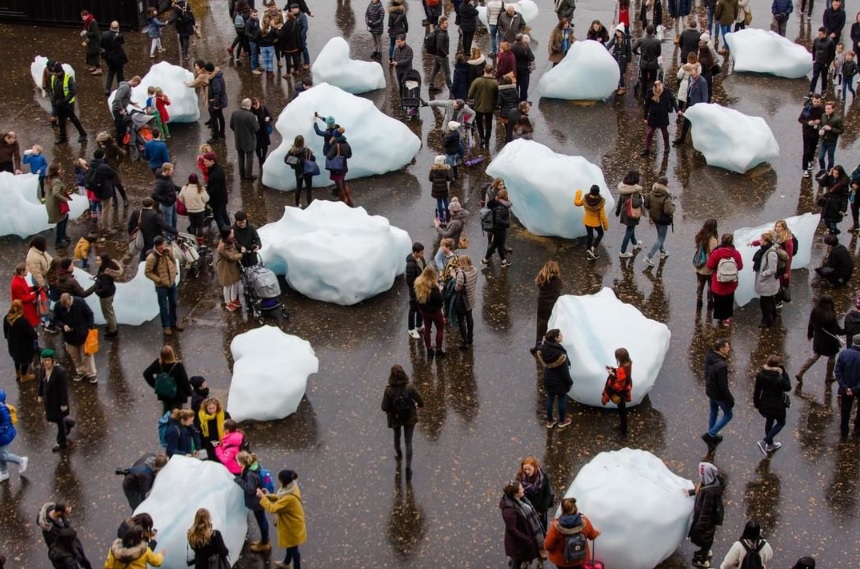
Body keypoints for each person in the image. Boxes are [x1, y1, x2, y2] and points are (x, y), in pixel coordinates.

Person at [257, 469, 307, 569]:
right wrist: (268, 496)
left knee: (294, 549)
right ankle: (286, 563)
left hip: (292, 528)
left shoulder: (289, 498)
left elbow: (273, 508)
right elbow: (281, 497)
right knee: (290, 545)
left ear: (284, 481)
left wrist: (262, 498)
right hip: (293, 525)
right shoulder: (292, 488)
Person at [381, 365, 424, 478]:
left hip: (395, 418)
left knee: (397, 435)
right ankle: (408, 468)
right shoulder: (409, 387)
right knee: (408, 442)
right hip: (409, 417)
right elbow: (420, 401)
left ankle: (399, 452)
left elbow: (384, 407)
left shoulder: (388, 390)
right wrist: (417, 406)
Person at [797, 293, 845, 384]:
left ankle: (801, 372)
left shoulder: (815, 311)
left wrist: (810, 334)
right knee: (832, 357)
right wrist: (848, 330)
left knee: (815, 355)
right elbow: (838, 330)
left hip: (819, 339)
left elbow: (811, 324)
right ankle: (829, 376)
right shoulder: (831, 315)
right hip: (830, 341)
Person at [686, 462, 726, 568]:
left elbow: (705, 512)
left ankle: (704, 561)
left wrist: (700, 526)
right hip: (708, 522)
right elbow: (699, 491)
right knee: (706, 540)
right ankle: (706, 551)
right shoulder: (709, 483)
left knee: (705, 539)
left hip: (706, 523)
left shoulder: (709, 493)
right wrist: (691, 492)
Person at [51, 293, 96, 384]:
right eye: (64, 305)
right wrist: (63, 325)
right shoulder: (58, 305)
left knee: (86, 354)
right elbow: (55, 319)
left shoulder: (80, 302)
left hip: (83, 333)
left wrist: (89, 327)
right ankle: (80, 371)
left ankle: (91, 374)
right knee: (75, 355)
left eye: (67, 304)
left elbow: (89, 314)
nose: (66, 307)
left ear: (70, 299)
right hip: (69, 336)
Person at [544, 497, 600, 569]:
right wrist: (597, 532)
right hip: (580, 559)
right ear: (575, 508)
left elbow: (548, 546)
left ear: (562, 510)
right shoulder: (584, 521)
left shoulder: (555, 526)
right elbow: (592, 536)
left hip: (562, 562)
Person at [499, 480, 544, 569]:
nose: (523, 489)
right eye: (521, 489)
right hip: (518, 543)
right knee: (517, 560)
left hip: (525, 536)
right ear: (515, 494)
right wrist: (526, 539)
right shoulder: (509, 511)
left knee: (520, 557)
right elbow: (511, 529)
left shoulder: (521, 500)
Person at [37, 349, 75, 452]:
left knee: (59, 421)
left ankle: (61, 442)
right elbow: (41, 383)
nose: (45, 362)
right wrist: (40, 395)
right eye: (44, 360)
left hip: (57, 402)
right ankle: (68, 422)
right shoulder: (42, 370)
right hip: (49, 401)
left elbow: (63, 389)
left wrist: (64, 404)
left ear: (52, 360)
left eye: (48, 360)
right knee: (52, 418)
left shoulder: (60, 372)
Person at [753, 355, 792, 454]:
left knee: (769, 420)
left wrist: (756, 403)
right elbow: (788, 387)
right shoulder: (779, 378)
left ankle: (770, 445)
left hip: (765, 402)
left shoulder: (760, 374)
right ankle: (764, 441)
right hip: (777, 405)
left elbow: (757, 390)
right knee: (781, 422)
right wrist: (784, 373)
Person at [144, 236, 181, 336]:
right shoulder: (152, 257)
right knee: (164, 307)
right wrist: (159, 280)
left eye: (165, 243)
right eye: (163, 244)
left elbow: (173, 261)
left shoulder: (168, 251)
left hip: (171, 283)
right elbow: (147, 272)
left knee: (173, 304)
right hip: (161, 287)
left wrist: (175, 272)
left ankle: (173, 323)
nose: (165, 245)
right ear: (158, 246)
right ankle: (166, 326)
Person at [235, 451, 271, 552]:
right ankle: (264, 540)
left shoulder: (250, 474)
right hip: (260, 500)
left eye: (237, 460)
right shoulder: (253, 466)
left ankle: (265, 543)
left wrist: (240, 481)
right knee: (262, 519)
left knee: (261, 520)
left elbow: (250, 490)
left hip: (257, 502)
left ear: (241, 462)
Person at [537, 329, 573, 429]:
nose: (562, 336)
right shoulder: (561, 354)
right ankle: (562, 421)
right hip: (559, 381)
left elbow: (538, 348)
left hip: (548, 378)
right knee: (561, 399)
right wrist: (570, 382)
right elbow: (565, 372)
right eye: (560, 335)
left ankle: (550, 421)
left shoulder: (542, 349)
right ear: (556, 338)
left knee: (550, 398)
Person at [706, 234, 743, 327]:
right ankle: (727, 318)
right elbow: (740, 266)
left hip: (718, 282)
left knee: (719, 300)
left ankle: (720, 317)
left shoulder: (717, 253)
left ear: (722, 241)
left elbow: (709, 265)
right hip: (731, 282)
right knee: (729, 300)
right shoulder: (736, 253)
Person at [143, 345, 192, 413]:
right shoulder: (178, 366)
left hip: (164, 394)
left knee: (166, 411)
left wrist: (156, 385)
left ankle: (165, 420)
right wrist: (189, 392)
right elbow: (184, 381)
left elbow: (146, 373)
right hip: (176, 395)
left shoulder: (158, 363)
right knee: (176, 414)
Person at [83, 254, 122, 338]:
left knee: (107, 313)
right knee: (110, 310)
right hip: (110, 292)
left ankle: (113, 331)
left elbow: (105, 288)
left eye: (99, 260)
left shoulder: (105, 274)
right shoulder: (105, 268)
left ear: (103, 261)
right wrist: (97, 277)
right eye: (96, 260)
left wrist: (97, 291)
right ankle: (113, 325)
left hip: (106, 296)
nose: (97, 262)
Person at [703, 339, 734, 445]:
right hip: (718, 394)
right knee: (728, 415)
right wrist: (730, 399)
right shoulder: (721, 365)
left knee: (714, 410)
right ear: (721, 349)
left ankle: (712, 434)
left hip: (711, 390)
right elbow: (723, 386)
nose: (729, 349)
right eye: (727, 347)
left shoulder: (710, 356)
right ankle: (711, 434)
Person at [129, 197, 177, 262]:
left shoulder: (136, 212)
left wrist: (132, 234)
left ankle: (141, 265)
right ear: (152, 204)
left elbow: (130, 225)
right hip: (152, 239)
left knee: (143, 252)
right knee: (152, 255)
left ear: (142, 204)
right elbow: (165, 226)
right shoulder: (155, 215)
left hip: (141, 237)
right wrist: (175, 232)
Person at [51, 64, 87, 145]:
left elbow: (73, 91)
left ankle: (82, 133)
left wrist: (65, 100)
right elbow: (52, 90)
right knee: (61, 120)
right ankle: (62, 137)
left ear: (61, 71)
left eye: (58, 73)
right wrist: (54, 100)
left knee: (73, 119)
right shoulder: (54, 77)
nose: (56, 75)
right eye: (55, 73)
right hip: (58, 102)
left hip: (67, 103)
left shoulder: (68, 77)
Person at [414, 265, 445, 357]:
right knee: (440, 329)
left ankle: (429, 350)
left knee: (427, 329)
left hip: (424, 312)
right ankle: (438, 351)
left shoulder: (418, 284)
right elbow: (440, 301)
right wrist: (441, 291)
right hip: (435, 312)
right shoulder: (434, 288)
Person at [4, 300, 38, 383]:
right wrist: (36, 335)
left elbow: (5, 330)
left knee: (16, 359)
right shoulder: (22, 321)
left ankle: (18, 373)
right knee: (25, 361)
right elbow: (30, 333)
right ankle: (24, 375)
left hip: (12, 344)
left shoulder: (7, 317)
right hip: (23, 346)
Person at [674, 64, 709, 144]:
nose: (692, 75)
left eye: (693, 73)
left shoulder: (702, 82)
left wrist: (703, 108)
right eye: (690, 73)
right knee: (686, 121)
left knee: (697, 124)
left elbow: (705, 97)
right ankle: (682, 138)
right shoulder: (690, 78)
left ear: (697, 72)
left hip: (697, 106)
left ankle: (699, 141)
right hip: (689, 103)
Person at [516, 457, 553, 533]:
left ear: (534, 467)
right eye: (525, 469)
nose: (527, 471)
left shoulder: (542, 476)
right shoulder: (520, 478)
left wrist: (542, 510)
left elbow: (548, 493)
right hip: (528, 512)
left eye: (529, 469)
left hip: (541, 511)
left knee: (542, 529)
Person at [641, 81, 678, 156]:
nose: (660, 90)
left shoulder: (666, 91)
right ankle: (646, 148)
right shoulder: (650, 92)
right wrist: (645, 117)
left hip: (663, 115)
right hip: (653, 116)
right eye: (659, 89)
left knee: (664, 132)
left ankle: (667, 147)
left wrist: (677, 110)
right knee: (649, 133)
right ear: (655, 88)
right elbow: (647, 105)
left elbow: (673, 100)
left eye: (661, 88)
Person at [602, 348, 633, 436]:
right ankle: (623, 428)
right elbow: (622, 376)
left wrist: (611, 375)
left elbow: (617, 384)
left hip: (620, 393)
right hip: (625, 390)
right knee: (622, 411)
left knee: (622, 411)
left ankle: (624, 432)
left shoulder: (621, 370)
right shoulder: (629, 364)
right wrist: (614, 371)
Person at [752, 231, 779, 328]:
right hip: (767, 282)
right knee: (770, 300)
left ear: (766, 241)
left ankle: (767, 321)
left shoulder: (771, 253)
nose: (760, 240)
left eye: (761, 239)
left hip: (767, 282)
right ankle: (772, 316)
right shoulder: (766, 250)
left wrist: (763, 274)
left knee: (765, 302)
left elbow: (773, 269)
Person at [533, 261, 563, 350]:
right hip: (552, 304)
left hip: (542, 302)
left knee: (541, 322)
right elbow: (560, 288)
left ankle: (538, 343)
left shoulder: (541, 278)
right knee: (551, 322)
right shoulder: (557, 280)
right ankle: (550, 342)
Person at [575, 185, 609, 261]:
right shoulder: (600, 202)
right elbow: (602, 215)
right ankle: (592, 248)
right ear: (598, 192)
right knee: (601, 234)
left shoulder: (585, 199)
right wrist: (605, 225)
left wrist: (578, 193)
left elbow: (577, 203)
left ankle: (589, 251)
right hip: (596, 223)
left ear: (590, 191)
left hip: (587, 221)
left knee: (590, 235)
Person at [0, 389, 28, 483]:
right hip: (2, 436)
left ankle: (21, 460)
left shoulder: (2, 409)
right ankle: (4, 472)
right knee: (1, 454)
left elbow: (6, 424)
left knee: (3, 455)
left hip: (4, 436)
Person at [230, 98, 260, 181]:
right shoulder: (250, 115)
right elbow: (256, 128)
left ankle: (242, 173)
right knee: (249, 158)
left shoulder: (235, 113)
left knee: (241, 157)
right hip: (249, 141)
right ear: (249, 105)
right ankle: (248, 175)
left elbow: (231, 125)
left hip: (238, 140)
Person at [837, 334, 860, 437]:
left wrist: (845, 387)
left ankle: (844, 431)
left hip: (845, 388)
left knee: (845, 410)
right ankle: (857, 427)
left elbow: (838, 372)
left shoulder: (844, 354)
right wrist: (855, 389)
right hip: (858, 389)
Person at [483, 188, 513, 267]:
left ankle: (503, 261)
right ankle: (485, 260)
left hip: (500, 228)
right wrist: (507, 224)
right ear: (505, 196)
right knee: (494, 245)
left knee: (499, 245)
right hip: (499, 229)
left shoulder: (502, 205)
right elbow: (498, 219)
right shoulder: (501, 207)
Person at [453, 255, 478, 349]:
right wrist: (461, 271)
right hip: (471, 298)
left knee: (461, 320)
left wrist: (454, 276)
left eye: (460, 262)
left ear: (463, 263)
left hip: (462, 301)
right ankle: (470, 338)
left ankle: (464, 341)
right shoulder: (475, 270)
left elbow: (457, 288)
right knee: (469, 317)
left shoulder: (461, 275)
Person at [216, 228, 244, 312]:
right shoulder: (223, 246)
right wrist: (242, 254)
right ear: (227, 235)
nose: (233, 235)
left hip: (232, 266)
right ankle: (228, 302)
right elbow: (231, 257)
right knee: (227, 285)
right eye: (231, 233)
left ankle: (233, 299)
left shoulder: (230, 241)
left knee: (235, 282)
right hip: (225, 268)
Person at [694, 219, 719, 310]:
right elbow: (714, 254)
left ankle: (699, 301)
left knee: (700, 285)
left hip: (699, 265)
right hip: (709, 267)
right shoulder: (713, 240)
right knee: (710, 286)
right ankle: (710, 302)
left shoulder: (699, 236)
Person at [799, 93, 824, 178]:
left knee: (813, 149)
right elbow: (800, 119)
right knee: (806, 151)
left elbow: (824, 119)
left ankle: (810, 161)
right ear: (812, 100)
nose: (816, 103)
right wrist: (808, 123)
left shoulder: (821, 110)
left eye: (818, 102)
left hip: (816, 132)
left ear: (820, 101)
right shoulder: (806, 109)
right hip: (807, 132)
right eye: (815, 101)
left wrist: (819, 121)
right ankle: (804, 168)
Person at [110, 76, 142, 144]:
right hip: (118, 110)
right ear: (135, 81)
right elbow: (118, 98)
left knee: (123, 125)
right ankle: (119, 143)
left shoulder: (128, 87)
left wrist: (132, 103)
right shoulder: (125, 87)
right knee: (121, 128)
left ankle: (120, 141)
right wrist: (121, 109)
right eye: (137, 84)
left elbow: (125, 98)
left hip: (122, 109)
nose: (136, 86)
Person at [178, 174, 209, 242]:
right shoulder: (201, 188)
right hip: (200, 210)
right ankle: (200, 240)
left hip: (190, 210)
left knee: (192, 225)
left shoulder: (184, 188)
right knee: (200, 226)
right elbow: (206, 199)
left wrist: (185, 203)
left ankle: (193, 240)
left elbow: (180, 198)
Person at [326, 128, 354, 206]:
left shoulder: (336, 145)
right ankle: (350, 200)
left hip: (337, 169)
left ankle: (344, 203)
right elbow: (349, 155)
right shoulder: (346, 143)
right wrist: (343, 157)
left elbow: (329, 156)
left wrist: (331, 144)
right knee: (343, 183)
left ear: (335, 136)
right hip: (344, 167)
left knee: (339, 186)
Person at [633, 25, 661, 98]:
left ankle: (644, 93)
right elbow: (659, 53)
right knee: (653, 79)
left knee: (644, 79)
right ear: (653, 31)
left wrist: (638, 53)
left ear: (646, 31)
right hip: (653, 63)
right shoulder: (657, 41)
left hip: (644, 63)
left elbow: (633, 48)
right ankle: (652, 93)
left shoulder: (641, 40)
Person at [405, 243, 426, 339]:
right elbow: (410, 282)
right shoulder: (410, 265)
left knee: (420, 308)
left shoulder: (421, 259)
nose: (423, 254)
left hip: (421, 289)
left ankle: (419, 324)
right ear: (415, 253)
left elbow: (424, 269)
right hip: (415, 291)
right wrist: (417, 288)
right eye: (421, 252)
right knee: (413, 309)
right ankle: (411, 328)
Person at [100, 21, 128, 96]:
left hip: (109, 57)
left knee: (110, 73)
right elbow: (121, 42)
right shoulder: (119, 36)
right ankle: (121, 89)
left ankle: (107, 89)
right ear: (118, 27)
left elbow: (101, 44)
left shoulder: (104, 34)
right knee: (120, 74)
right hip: (118, 58)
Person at [203, 153, 229, 231]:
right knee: (224, 214)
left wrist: (206, 194)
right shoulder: (219, 168)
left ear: (212, 161)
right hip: (223, 197)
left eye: (206, 161)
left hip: (217, 201)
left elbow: (214, 191)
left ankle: (224, 232)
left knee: (218, 216)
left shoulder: (214, 175)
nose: (204, 163)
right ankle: (229, 228)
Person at [817, 101, 844, 175]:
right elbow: (820, 124)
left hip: (831, 141)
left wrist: (831, 129)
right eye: (826, 108)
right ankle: (822, 169)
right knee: (821, 157)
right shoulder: (823, 115)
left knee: (830, 158)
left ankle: (829, 171)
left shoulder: (837, 119)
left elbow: (841, 130)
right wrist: (820, 130)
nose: (827, 110)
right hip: (823, 140)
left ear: (833, 109)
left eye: (829, 109)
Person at [428, 16, 452, 93]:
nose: (447, 24)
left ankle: (431, 85)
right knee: (447, 73)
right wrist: (445, 54)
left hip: (437, 55)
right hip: (442, 56)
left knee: (434, 70)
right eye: (446, 23)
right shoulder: (441, 34)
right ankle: (451, 89)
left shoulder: (439, 30)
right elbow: (439, 47)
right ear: (441, 23)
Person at [607, 24, 632, 94]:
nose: (617, 33)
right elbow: (609, 45)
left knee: (620, 73)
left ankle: (622, 88)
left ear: (622, 32)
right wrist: (604, 50)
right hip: (615, 57)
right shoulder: (615, 38)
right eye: (616, 31)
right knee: (616, 72)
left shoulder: (626, 40)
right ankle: (617, 85)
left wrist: (629, 59)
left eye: (618, 31)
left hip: (623, 59)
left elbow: (629, 50)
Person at [206, 63, 228, 143]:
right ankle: (221, 133)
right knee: (220, 116)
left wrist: (215, 103)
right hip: (219, 101)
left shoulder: (214, 79)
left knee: (214, 119)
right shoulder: (218, 76)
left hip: (215, 102)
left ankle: (215, 137)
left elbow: (217, 91)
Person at [811, 28, 837, 94]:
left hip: (824, 63)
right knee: (815, 76)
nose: (819, 36)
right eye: (819, 34)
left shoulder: (830, 42)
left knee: (824, 77)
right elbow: (814, 50)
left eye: (820, 34)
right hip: (817, 61)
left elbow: (832, 54)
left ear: (825, 34)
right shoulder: (816, 40)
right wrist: (814, 59)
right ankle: (811, 91)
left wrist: (827, 63)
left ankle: (823, 90)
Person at [251, 97, 272, 171]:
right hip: (256, 132)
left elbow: (270, 115)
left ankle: (263, 157)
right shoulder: (251, 111)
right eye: (254, 105)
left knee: (264, 146)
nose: (255, 106)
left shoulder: (263, 108)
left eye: (256, 104)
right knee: (257, 147)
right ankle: (260, 158)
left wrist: (268, 118)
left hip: (263, 131)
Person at [511, 34, 534, 102]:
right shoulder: (525, 48)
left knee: (516, 84)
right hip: (524, 69)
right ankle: (523, 100)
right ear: (522, 39)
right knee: (524, 86)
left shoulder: (512, 46)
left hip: (514, 68)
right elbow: (531, 57)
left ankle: (516, 99)